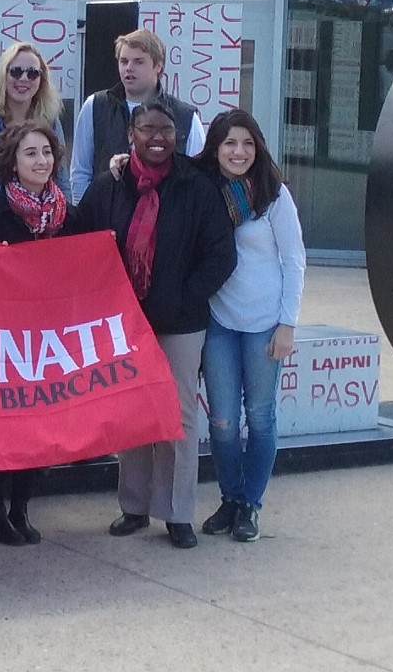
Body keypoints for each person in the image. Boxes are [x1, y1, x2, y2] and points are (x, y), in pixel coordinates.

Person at [74, 102, 236, 550]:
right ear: (131, 134)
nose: (158, 138)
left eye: (166, 130)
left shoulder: (196, 187)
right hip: (125, 322)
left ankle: (178, 513)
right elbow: (79, 237)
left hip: (181, 323)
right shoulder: (110, 186)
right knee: (133, 410)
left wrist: (185, 296)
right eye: (148, 129)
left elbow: (221, 254)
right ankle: (134, 506)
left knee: (178, 414)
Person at [195, 110, 305, 543]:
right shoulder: (202, 191)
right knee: (222, 420)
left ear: (257, 148)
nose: (238, 152)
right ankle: (230, 497)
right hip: (220, 321)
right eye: (229, 143)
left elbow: (294, 260)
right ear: (215, 148)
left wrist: (287, 324)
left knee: (260, 416)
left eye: (246, 143)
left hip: (265, 323)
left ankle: (250, 504)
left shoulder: (274, 195)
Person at [0, 122, 71, 546]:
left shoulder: (65, 214)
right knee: (2, 424)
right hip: (3, 335)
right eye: (31, 153)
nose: (41, 160)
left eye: (46, 152)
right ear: (13, 162)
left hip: (46, 336)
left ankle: (21, 509)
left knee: (36, 423)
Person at [69, 30, 206, 203]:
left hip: (166, 214)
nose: (129, 68)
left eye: (139, 61)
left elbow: (198, 178)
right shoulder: (95, 106)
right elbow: (80, 173)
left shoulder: (186, 117)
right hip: (106, 214)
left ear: (158, 65)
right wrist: (86, 213)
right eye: (124, 61)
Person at [0, 42, 70, 209]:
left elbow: (61, 180)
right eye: (16, 71)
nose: (24, 78)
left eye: (33, 73)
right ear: (3, 75)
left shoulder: (50, 122)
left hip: (41, 223)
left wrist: (67, 219)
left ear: (41, 80)